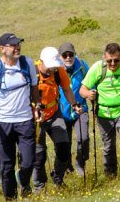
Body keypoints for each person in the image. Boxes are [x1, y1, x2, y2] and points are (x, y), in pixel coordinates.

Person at [0, 32, 39, 200]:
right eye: (13, 45)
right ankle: (10, 197)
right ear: (2, 48)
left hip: (25, 120)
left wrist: (38, 106)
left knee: (28, 161)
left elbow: (34, 87)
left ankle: (23, 181)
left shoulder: (27, 63)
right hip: (3, 123)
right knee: (7, 166)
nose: (17, 47)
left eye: (18, 44)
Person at [80, 42, 120, 179]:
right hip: (104, 113)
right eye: (109, 61)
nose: (113, 64)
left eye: (116, 60)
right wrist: (88, 94)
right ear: (104, 58)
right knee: (108, 145)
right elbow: (82, 89)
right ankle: (110, 174)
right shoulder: (97, 68)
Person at [33, 46, 81, 190]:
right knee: (39, 154)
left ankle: (58, 177)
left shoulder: (59, 71)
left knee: (64, 147)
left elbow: (66, 89)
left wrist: (74, 104)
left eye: (54, 66)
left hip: (54, 113)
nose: (52, 69)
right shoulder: (32, 73)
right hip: (35, 118)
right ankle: (39, 186)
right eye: (49, 66)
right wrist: (34, 111)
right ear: (41, 61)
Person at [58, 42, 90, 180]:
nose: (68, 57)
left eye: (71, 54)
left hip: (80, 110)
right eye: (65, 55)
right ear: (60, 57)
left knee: (84, 138)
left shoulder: (82, 66)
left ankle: (80, 163)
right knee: (65, 143)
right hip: (62, 112)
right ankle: (67, 166)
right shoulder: (56, 69)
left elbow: (91, 82)